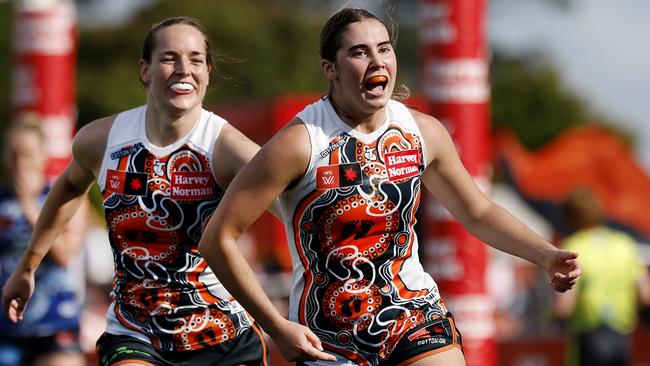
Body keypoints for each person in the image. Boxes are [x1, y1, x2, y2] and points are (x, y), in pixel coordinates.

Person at [198, 7, 582, 366]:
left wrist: (545, 255)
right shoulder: (299, 143)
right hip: (330, 336)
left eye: (384, 49)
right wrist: (275, 325)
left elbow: (478, 212)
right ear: (329, 68)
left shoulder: (422, 131)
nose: (377, 61)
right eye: (360, 52)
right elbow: (218, 238)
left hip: (414, 315)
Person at [2, 17, 270, 366]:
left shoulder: (228, 147)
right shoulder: (102, 140)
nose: (183, 69)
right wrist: (27, 266)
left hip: (222, 335)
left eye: (195, 59)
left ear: (208, 71)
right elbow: (68, 186)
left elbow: (294, 207)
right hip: (136, 332)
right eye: (169, 58)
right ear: (145, 70)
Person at [0, 116, 87, 366]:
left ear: (42, 156)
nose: (19, 163)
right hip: (7, 325)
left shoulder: (64, 199)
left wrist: (28, 205)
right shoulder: (2, 202)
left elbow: (65, 255)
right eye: (13, 155)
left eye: (26, 154)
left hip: (56, 319)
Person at [554, 188, 650, 366]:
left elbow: (563, 307)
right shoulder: (624, 244)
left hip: (588, 338)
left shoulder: (573, 247)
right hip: (622, 338)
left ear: (570, 217)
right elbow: (645, 295)